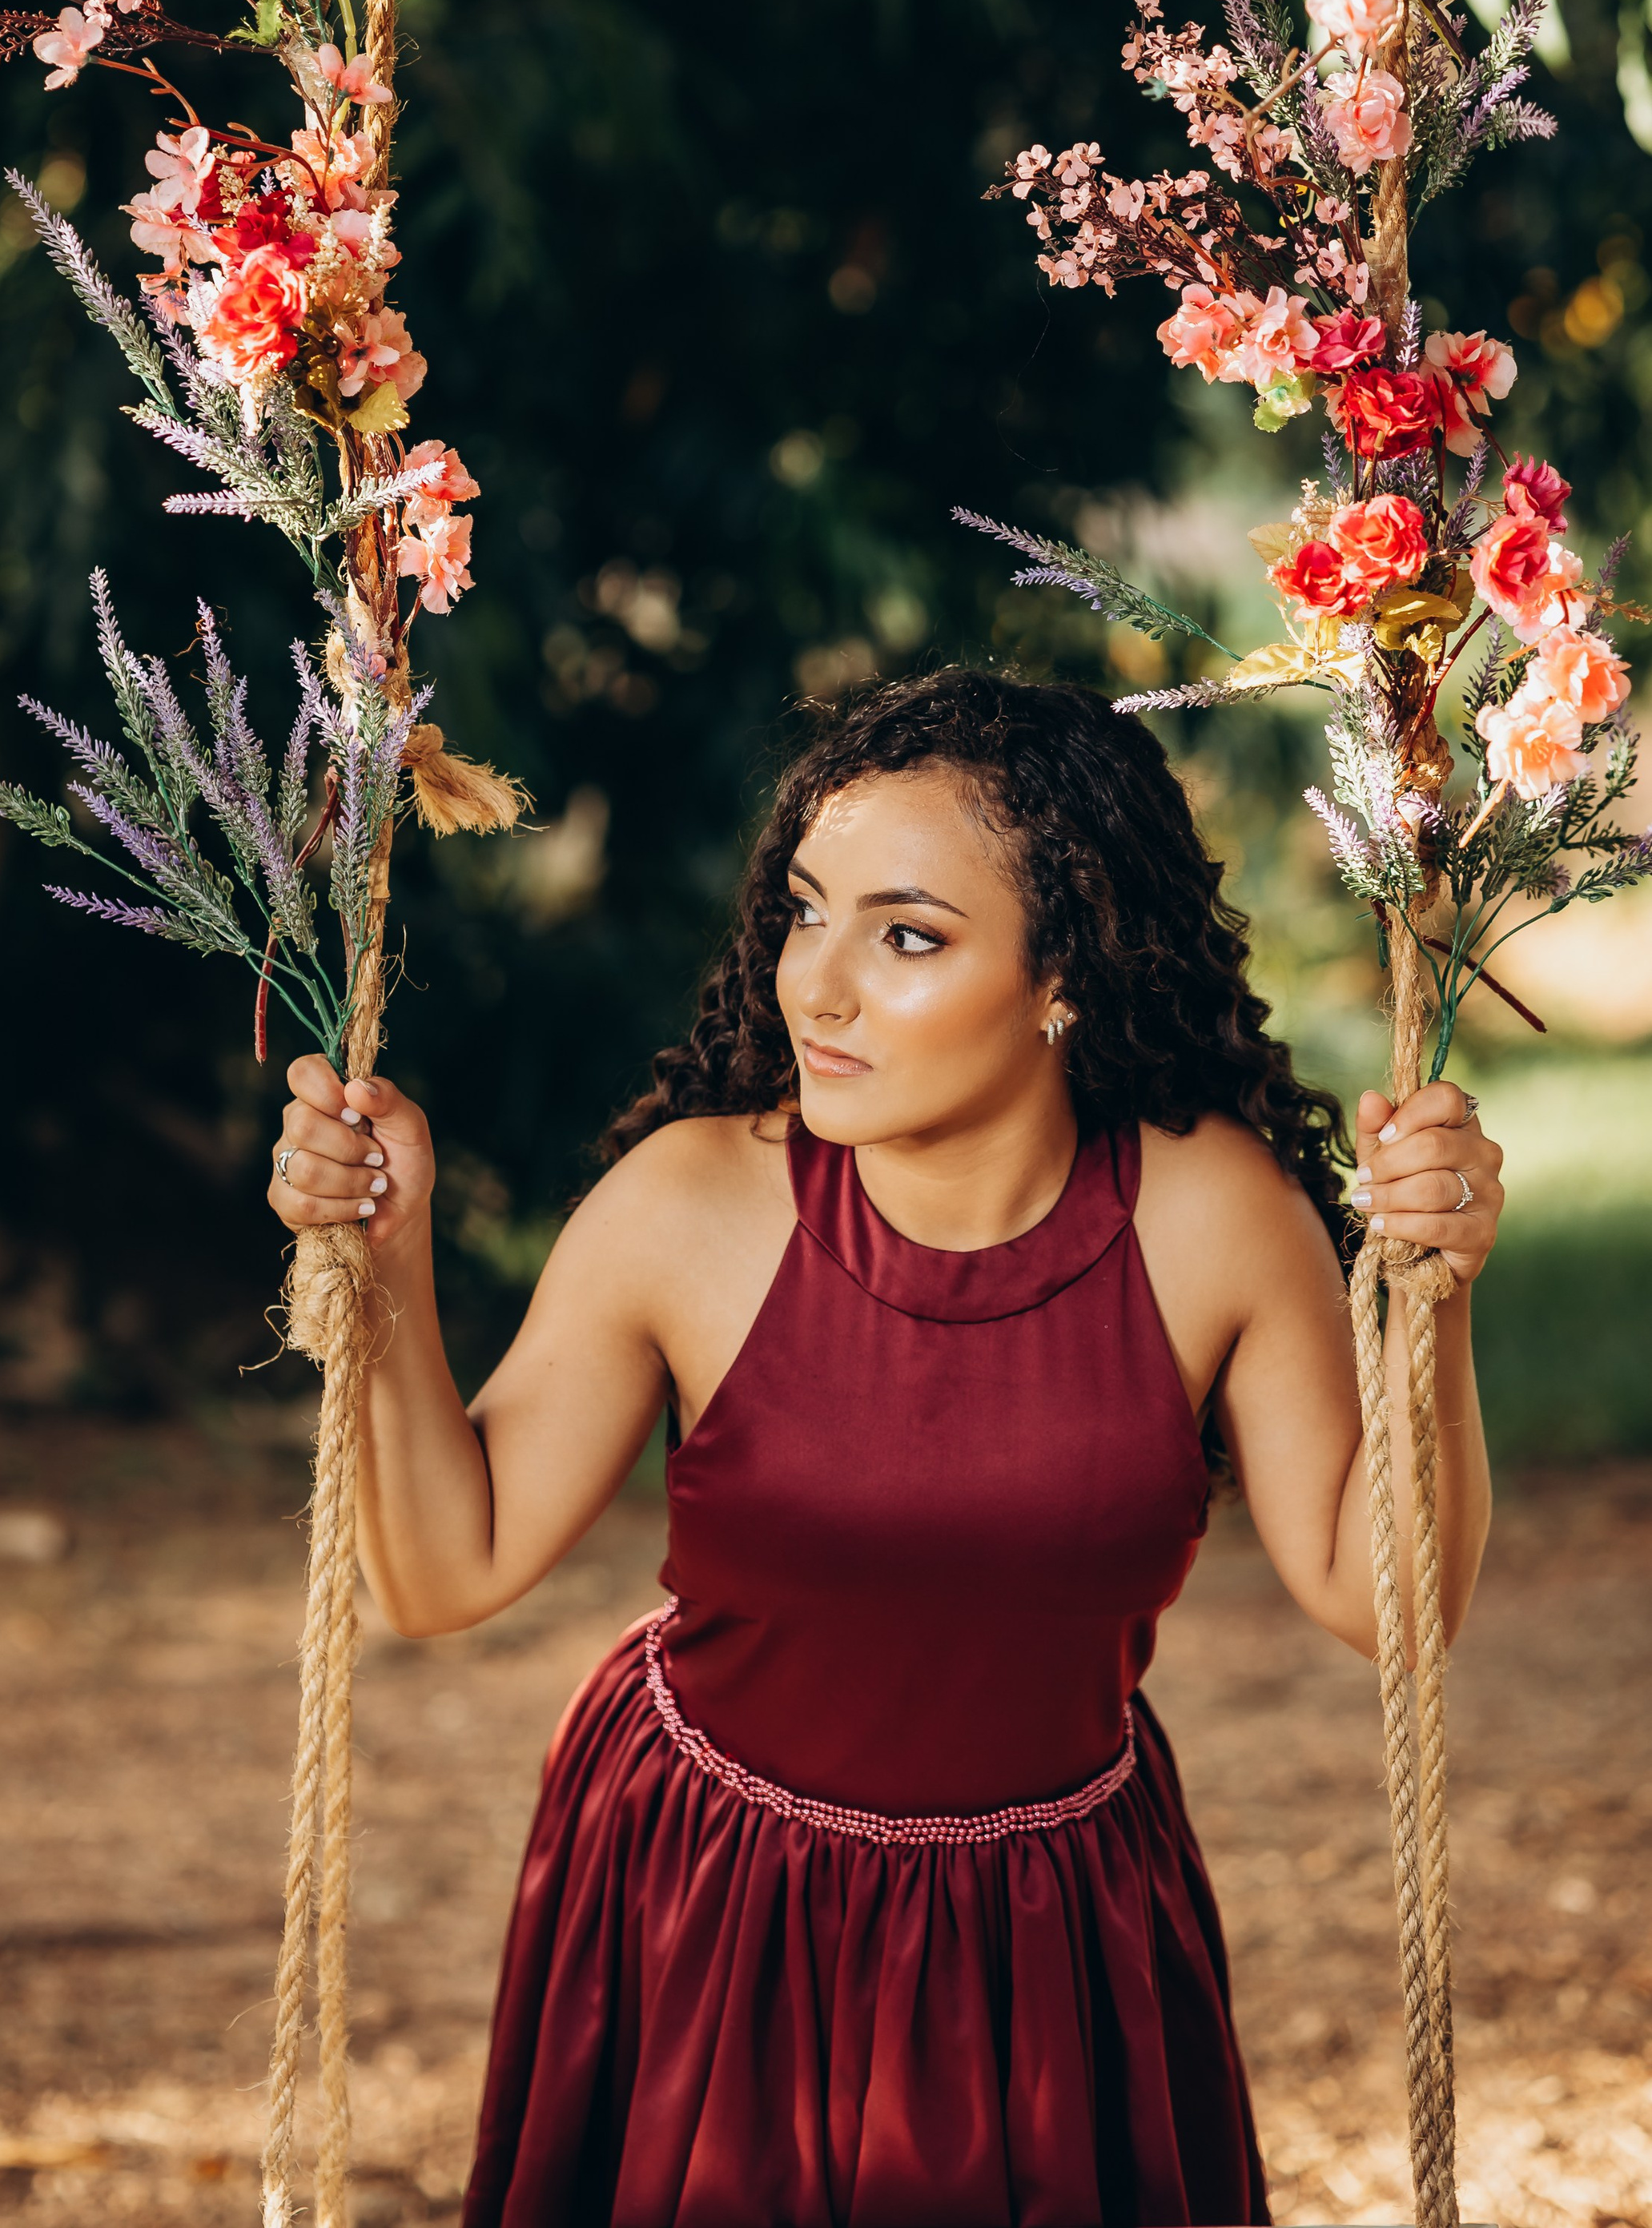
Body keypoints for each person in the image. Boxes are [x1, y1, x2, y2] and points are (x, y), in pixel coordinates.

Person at [267, 669, 1505, 2228]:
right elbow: (440, 1571)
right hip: (708, 1897)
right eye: (803, 911)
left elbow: (1390, 1607)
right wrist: (384, 1256)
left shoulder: (1213, 1222)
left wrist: (1428, 1302)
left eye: (905, 935)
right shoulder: (687, 1209)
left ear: (1062, 973)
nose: (817, 987)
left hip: (1052, 1925)